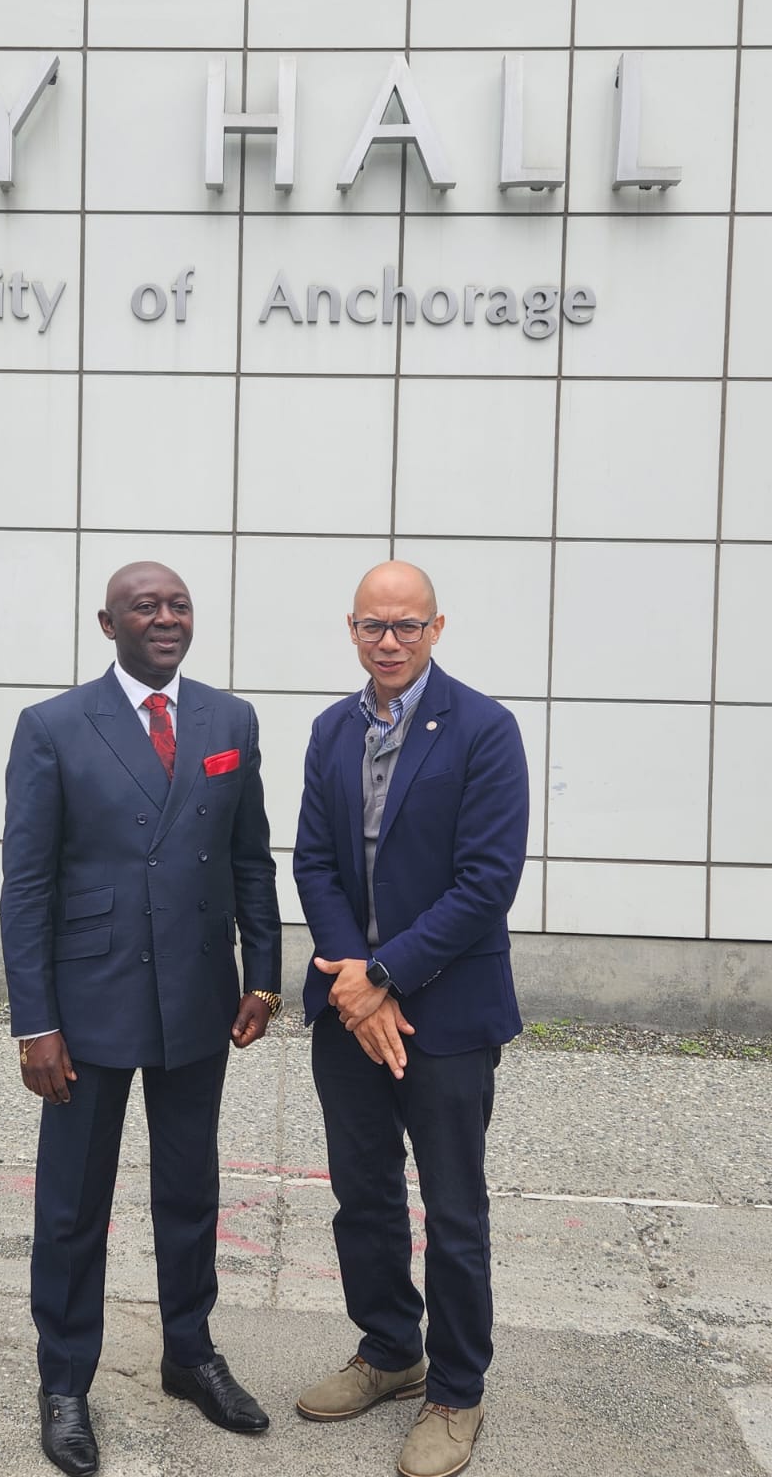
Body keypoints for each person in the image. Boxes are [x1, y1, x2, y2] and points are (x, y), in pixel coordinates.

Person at [0, 560, 282, 1477]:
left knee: (190, 1189)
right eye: (144, 607)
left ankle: (189, 1354)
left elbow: (249, 858)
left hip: (198, 993)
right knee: (73, 1204)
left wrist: (264, 976)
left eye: (178, 605)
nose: (165, 618)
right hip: (88, 1004)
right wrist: (35, 1023)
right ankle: (64, 1382)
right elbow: (26, 886)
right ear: (107, 623)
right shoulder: (52, 727)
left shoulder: (229, 721)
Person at [292, 560, 528, 1477]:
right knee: (364, 1195)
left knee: (453, 1210)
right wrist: (355, 985)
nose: (388, 642)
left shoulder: (484, 730)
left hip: (448, 1012)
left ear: (436, 628)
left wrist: (385, 975)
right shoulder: (331, 730)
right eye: (372, 625)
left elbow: (486, 882)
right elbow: (315, 863)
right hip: (349, 1010)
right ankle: (391, 1349)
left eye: (406, 625)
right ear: (351, 629)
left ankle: (457, 1391)